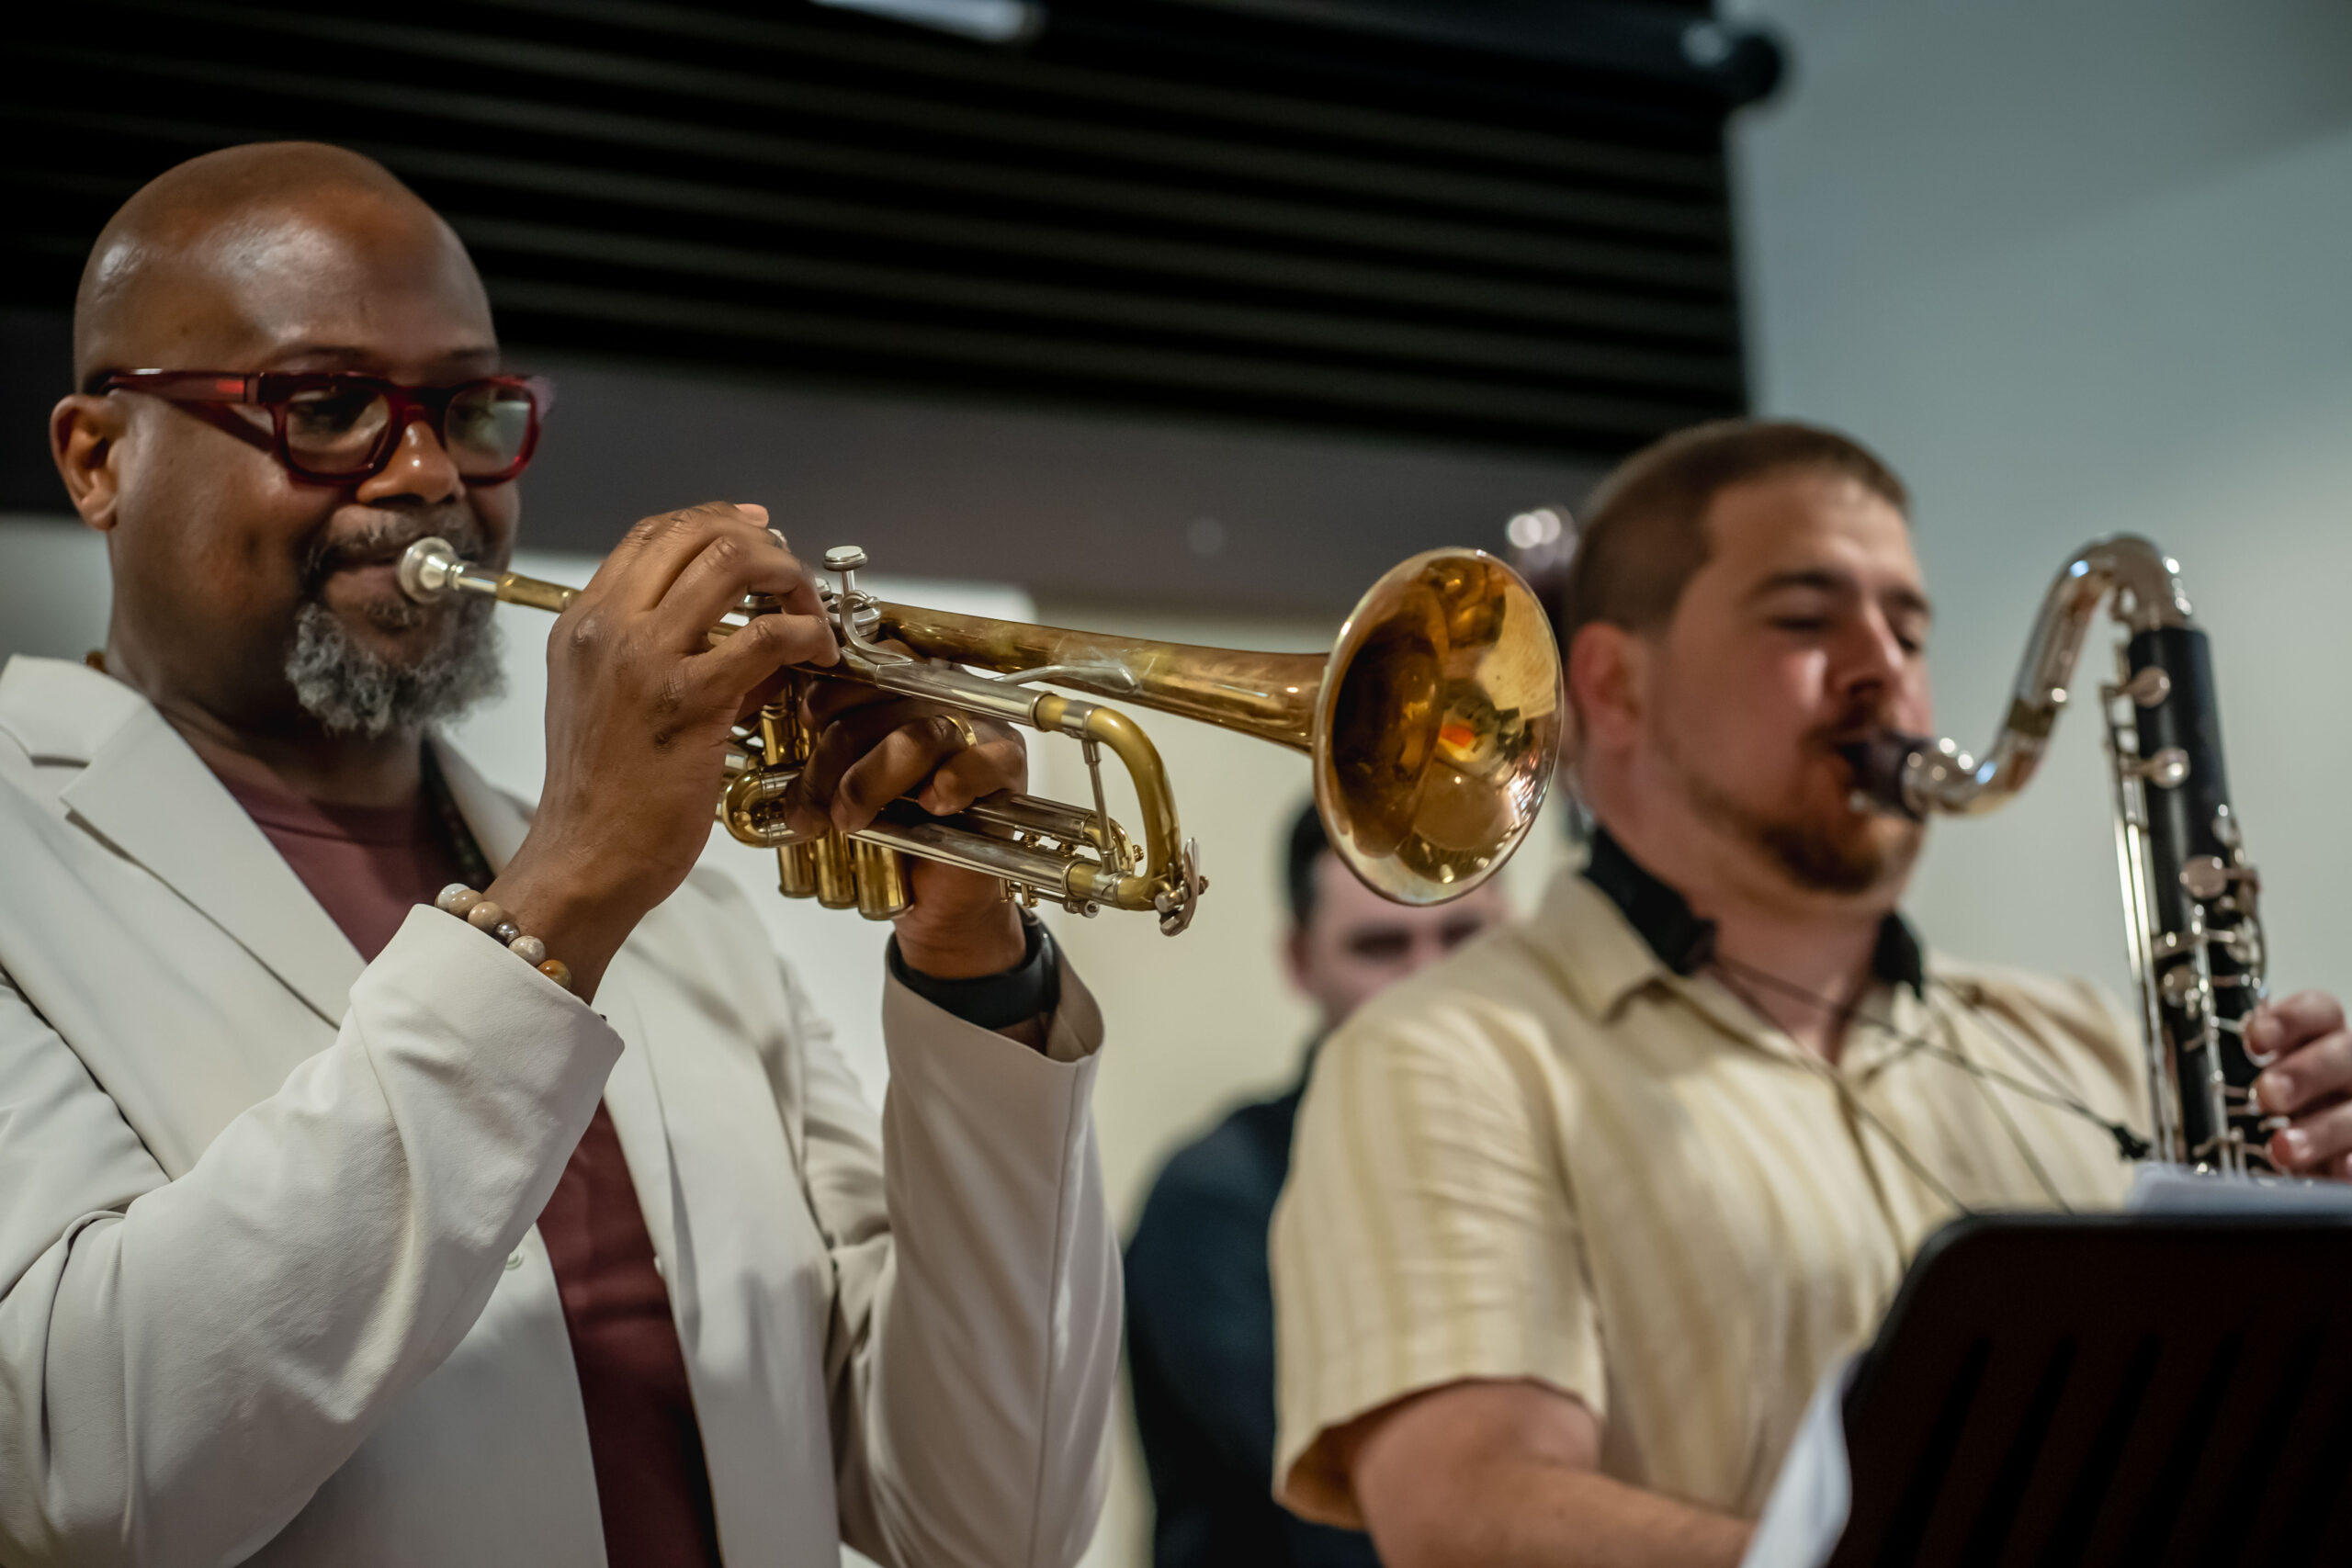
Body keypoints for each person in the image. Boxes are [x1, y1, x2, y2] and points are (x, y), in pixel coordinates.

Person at [0, 142, 1117, 1568]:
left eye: (468, 410)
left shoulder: (686, 919)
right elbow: (81, 1472)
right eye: (327, 407)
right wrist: (567, 890)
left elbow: (990, 1522)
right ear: (99, 459)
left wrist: (971, 965)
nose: (427, 475)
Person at [1267, 420, 2352, 1568]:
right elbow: (1469, 1513)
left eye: (1908, 628)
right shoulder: (1445, 1053)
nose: (1883, 668)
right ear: (1614, 688)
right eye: (1803, 618)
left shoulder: (2086, 1040)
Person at [1123, 803, 1509, 1568]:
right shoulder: (1216, 1200)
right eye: (1381, 946)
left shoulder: (1562, 1154)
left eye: (1464, 936)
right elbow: (1353, 1529)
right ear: (1301, 961)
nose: (1430, 980)